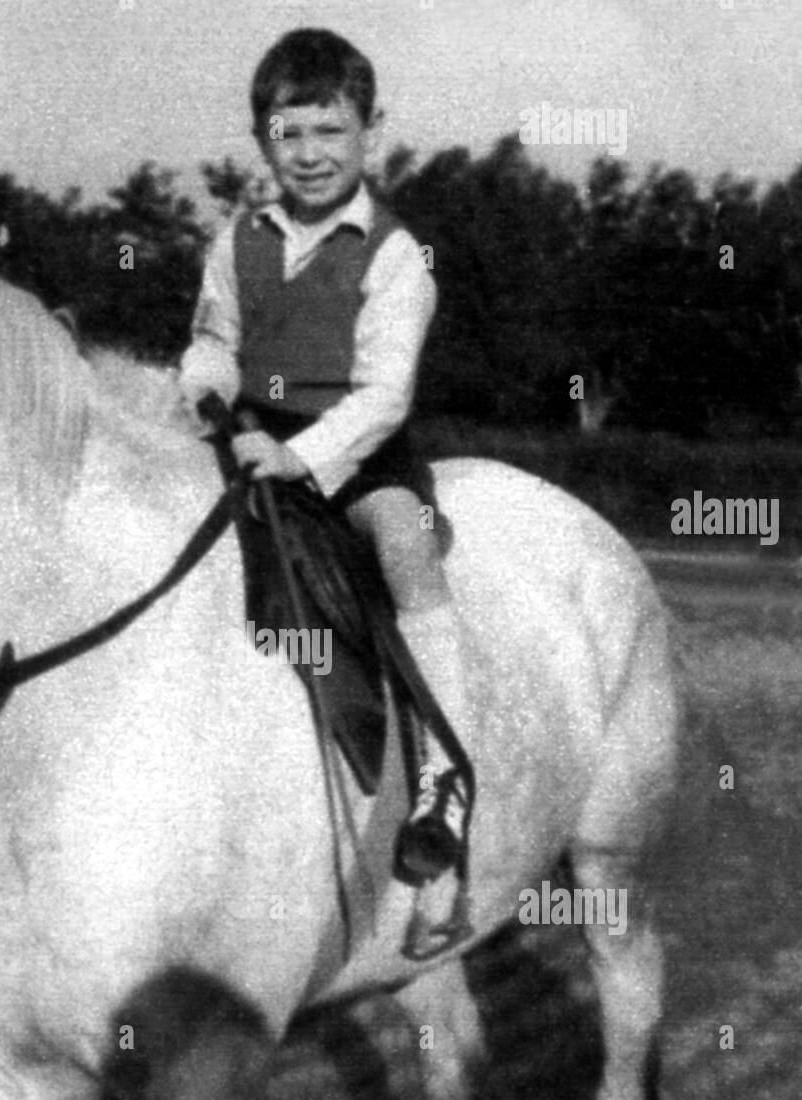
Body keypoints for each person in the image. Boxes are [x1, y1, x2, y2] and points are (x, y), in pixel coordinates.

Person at [180, 27, 472, 888]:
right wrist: (206, 384)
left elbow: (385, 398)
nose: (308, 155)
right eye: (288, 133)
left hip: (354, 451)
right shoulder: (236, 240)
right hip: (246, 437)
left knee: (405, 544)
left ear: (370, 134)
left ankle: (445, 774)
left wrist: (298, 458)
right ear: (263, 139)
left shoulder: (394, 257)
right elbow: (212, 338)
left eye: (329, 131)